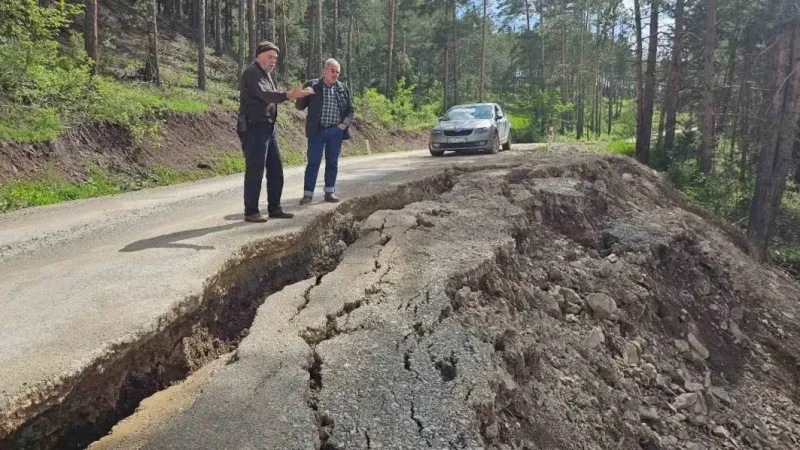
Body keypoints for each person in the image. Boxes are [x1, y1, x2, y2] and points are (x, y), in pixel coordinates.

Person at [238, 41, 313, 223]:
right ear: (259, 56)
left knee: (275, 169)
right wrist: (289, 95)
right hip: (254, 127)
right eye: (270, 57)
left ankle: (275, 208)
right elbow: (266, 94)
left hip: (268, 127)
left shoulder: (265, 73)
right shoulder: (252, 73)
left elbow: (270, 95)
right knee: (255, 170)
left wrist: (288, 95)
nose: (273, 61)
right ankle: (251, 211)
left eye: (275, 58)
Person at [295, 58, 354, 205]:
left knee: (332, 163)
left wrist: (344, 124)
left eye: (337, 72)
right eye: (332, 71)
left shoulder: (342, 88)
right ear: (325, 70)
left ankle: (330, 192)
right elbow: (299, 107)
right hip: (317, 131)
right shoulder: (313, 85)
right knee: (313, 162)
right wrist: (302, 94)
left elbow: (350, 110)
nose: (335, 74)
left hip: (336, 131)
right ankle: (308, 194)